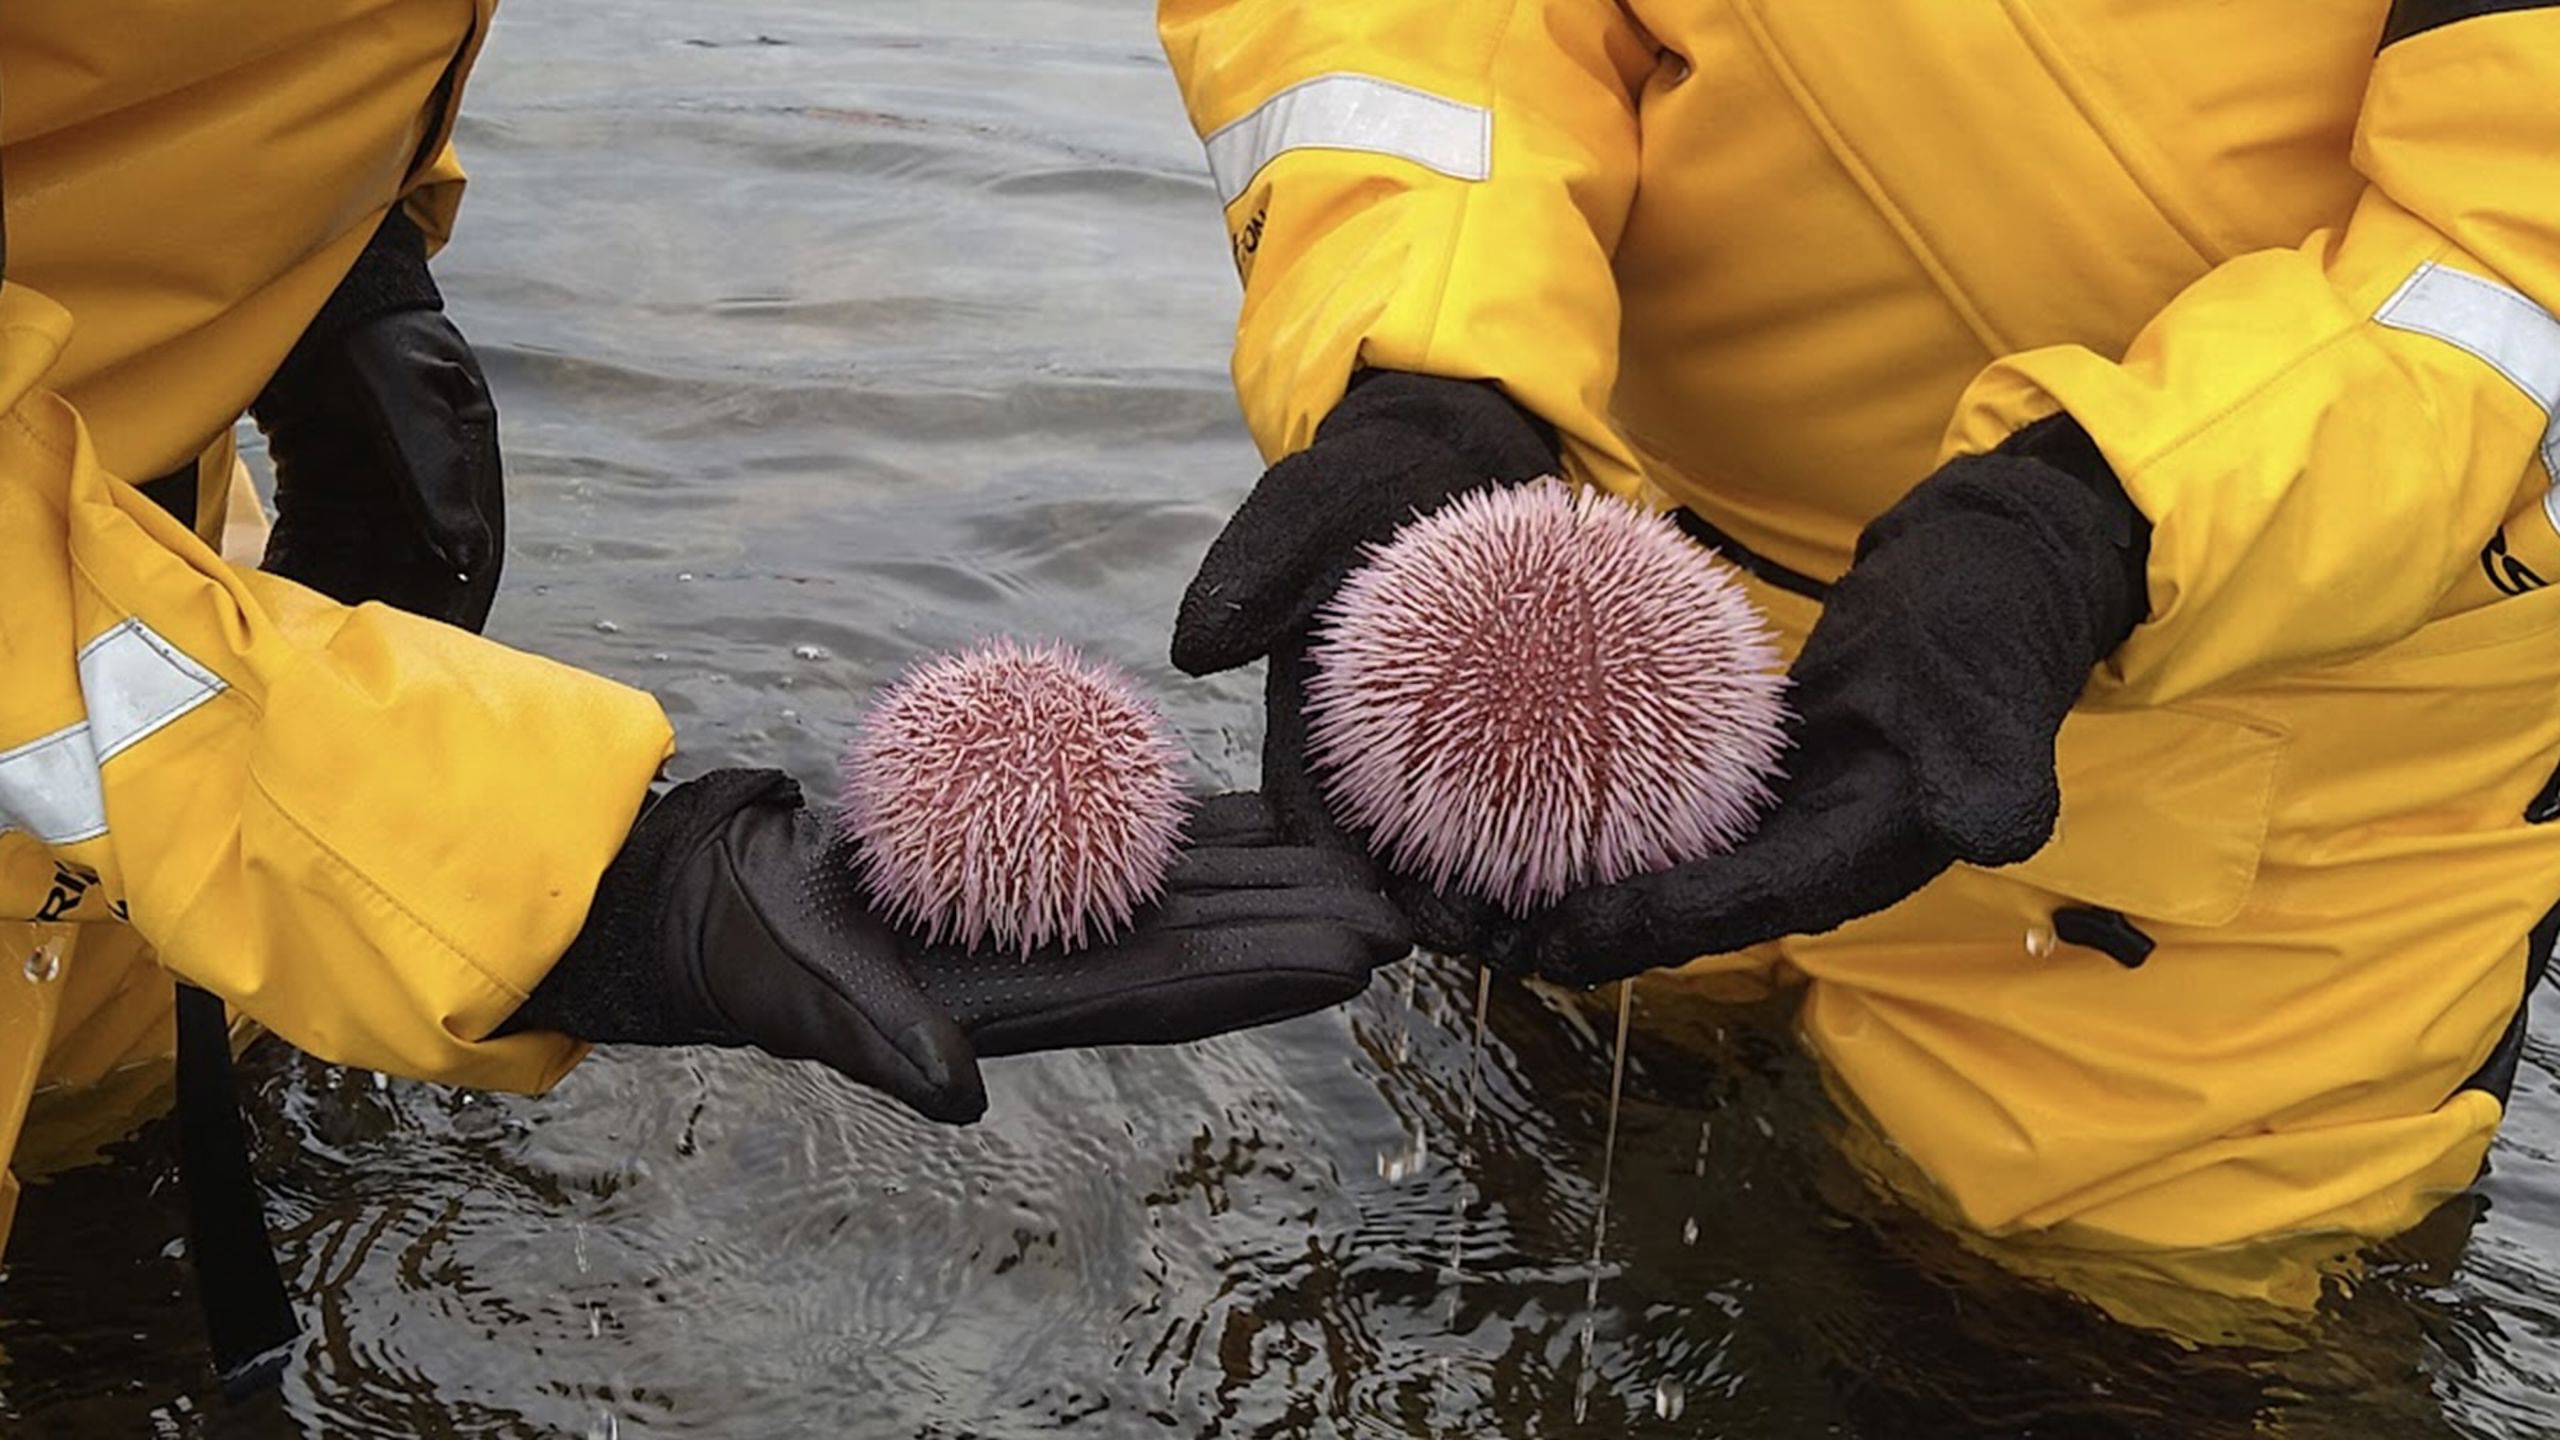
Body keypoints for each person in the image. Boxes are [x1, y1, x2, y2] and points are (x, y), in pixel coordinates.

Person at [1157, 0, 2560, 1331]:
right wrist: (1434, 357)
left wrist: (2100, 520)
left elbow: (2512, 246)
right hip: (1639, 621)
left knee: (2097, 1345)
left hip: (2301, 710)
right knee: (1552, 1144)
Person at [0, 0, 1409, 1325]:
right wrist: (560, 884)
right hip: (80, 662)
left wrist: (336, 257)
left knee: (121, 1180)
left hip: (127, 612)